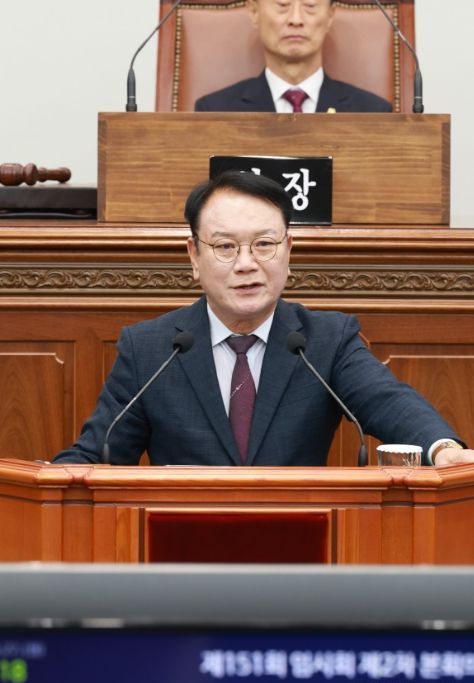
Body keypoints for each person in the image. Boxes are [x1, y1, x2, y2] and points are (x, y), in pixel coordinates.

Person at [53, 171, 474, 467]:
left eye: (264, 244)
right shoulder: (150, 349)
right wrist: (51, 481)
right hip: (182, 552)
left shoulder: (326, 340)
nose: (246, 264)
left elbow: (390, 403)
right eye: (225, 247)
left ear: (288, 251)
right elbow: (98, 454)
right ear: (193, 257)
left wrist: (442, 449)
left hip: (300, 548)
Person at [195, 0, 391, 113]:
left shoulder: (374, 113)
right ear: (254, 12)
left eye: (310, 5)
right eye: (282, 4)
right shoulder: (215, 111)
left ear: (330, 16)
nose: (296, 19)